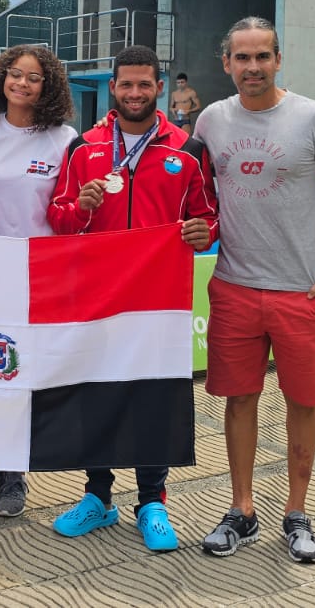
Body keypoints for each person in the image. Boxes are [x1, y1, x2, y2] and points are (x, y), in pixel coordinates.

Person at [193, 16, 315, 565]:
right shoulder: (212, 120)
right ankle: (242, 509)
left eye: (262, 56)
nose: (253, 67)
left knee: (302, 402)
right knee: (239, 399)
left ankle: (297, 511)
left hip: (300, 290)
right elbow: (193, 191)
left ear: (278, 60)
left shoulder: (314, 117)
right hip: (235, 286)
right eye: (242, 57)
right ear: (227, 63)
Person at [47, 45, 218, 552]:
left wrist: (203, 232)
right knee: (94, 394)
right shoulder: (84, 148)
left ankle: (152, 501)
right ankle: (98, 495)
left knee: (153, 398)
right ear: (113, 88)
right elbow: (59, 218)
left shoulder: (188, 149)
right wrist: (81, 206)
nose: (135, 93)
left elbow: (208, 216)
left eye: (145, 84)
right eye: (127, 84)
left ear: (159, 88)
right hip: (95, 297)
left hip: (157, 301)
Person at [0, 44, 76, 519]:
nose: (22, 83)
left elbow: (68, 208)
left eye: (34, 77)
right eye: (15, 74)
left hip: (40, 271)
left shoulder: (64, 139)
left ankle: (15, 472)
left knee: (23, 373)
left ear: (48, 86)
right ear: (1, 78)